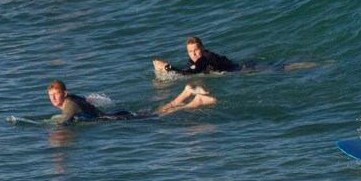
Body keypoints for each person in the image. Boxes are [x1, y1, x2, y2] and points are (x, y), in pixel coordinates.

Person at [47, 80, 215, 123]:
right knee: (157, 112)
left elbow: (64, 124)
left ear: (64, 93)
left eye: (56, 94)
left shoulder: (69, 105)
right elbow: (87, 99)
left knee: (158, 116)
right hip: (114, 114)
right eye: (51, 95)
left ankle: (195, 102)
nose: (53, 98)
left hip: (116, 119)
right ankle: (186, 93)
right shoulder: (73, 98)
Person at [153, 36, 240, 75]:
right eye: (190, 51)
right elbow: (185, 70)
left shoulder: (204, 59)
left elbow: (187, 73)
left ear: (202, 48)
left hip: (243, 71)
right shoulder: (192, 62)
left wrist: (166, 66)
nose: (193, 54)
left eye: (196, 50)